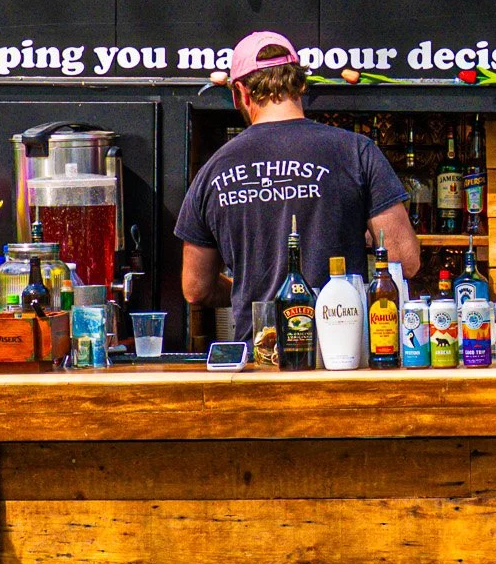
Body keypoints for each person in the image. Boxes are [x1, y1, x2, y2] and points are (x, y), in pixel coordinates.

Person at [177, 30, 422, 343]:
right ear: (300, 84)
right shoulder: (356, 152)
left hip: (260, 358)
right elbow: (406, 260)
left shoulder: (212, 171)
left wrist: (247, 292)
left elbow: (195, 288)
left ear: (240, 92)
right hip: (341, 354)